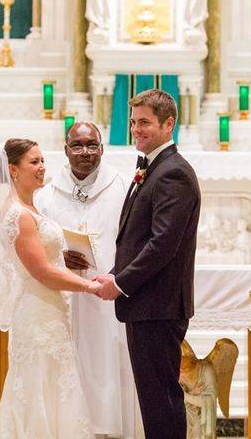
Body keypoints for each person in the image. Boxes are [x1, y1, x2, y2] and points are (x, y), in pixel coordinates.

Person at [95, 89, 201, 438]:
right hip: (147, 303)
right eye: (133, 122)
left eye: (144, 122)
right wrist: (113, 274)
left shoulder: (173, 173)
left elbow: (162, 244)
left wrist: (122, 283)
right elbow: (138, 238)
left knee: (161, 399)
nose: (135, 129)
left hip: (158, 305)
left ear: (168, 124)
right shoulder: (153, 167)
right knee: (154, 399)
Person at [0, 138, 99, 438]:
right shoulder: (18, 215)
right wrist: (90, 286)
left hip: (48, 309)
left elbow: (46, 260)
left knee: (52, 385)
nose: (42, 167)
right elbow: (43, 273)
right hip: (37, 312)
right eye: (34, 162)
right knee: (38, 387)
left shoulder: (28, 207)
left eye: (43, 160)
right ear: (13, 170)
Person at [35, 122, 139, 438]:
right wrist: (59, 255)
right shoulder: (46, 195)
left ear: (102, 148)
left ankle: (111, 428)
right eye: (77, 146)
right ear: (66, 149)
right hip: (63, 296)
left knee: (110, 360)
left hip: (110, 293)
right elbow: (35, 244)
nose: (85, 153)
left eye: (92, 145)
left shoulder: (122, 188)